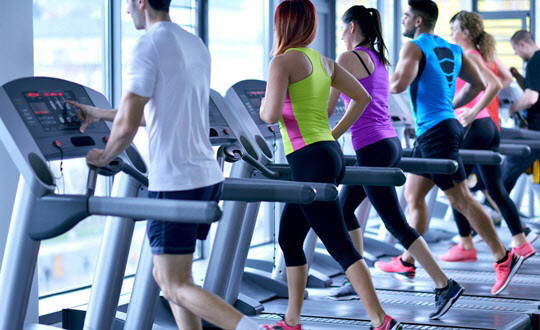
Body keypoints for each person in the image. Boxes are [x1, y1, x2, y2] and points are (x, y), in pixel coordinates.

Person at [68, 0, 260, 329]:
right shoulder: (194, 43)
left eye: (128, 4)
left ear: (141, 2)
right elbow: (155, 112)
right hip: (206, 178)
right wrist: (100, 114)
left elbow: (128, 126)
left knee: (173, 283)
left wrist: (101, 157)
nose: (126, 12)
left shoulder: (148, 44)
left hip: (176, 182)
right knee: (173, 280)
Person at [259, 1, 401, 329]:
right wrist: (333, 132)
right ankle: (292, 321)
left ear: (282, 25)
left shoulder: (281, 62)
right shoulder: (324, 61)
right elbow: (362, 98)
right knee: (289, 238)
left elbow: (269, 115)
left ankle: (381, 320)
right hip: (328, 154)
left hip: (310, 160)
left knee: (339, 245)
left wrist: (269, 102)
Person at [375, 0, 524, 295]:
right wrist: (449, 108)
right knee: (414, 194)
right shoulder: (452, 49)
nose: (403, 20)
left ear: (418, 21)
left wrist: (366, 80)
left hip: (435, 133)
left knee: (460, 199)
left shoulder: (414, 47)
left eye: (405, 16)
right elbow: (479, 85)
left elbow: (398, 84)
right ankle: (407, 260)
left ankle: (504, 257)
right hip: (437, 128)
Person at [327, 5, 462, 319]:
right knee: (345, 208)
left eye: (341, 28)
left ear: (351, 28)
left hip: (372, 146)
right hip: (389, 143)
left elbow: (331, 105)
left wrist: (330, 132)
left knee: (395, 222)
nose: (340, 34)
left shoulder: (348, 58)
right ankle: (356, 278)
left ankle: (444, 284)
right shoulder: (379, 59)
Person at [438, 11, 536, 262]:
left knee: (454, 186)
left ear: (465, 33)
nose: (451, 35)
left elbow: (490, 83)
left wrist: (472, 108)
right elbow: (500, 80)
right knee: (494, 188)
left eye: (453, 31)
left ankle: (466, 244)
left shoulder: (468, 55)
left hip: (476, 125)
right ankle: (521, 241)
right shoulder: (485, 54)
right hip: (490, 126)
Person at [501, 30, 540, 193]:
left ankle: (493, 210)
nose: (516, 54)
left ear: (523, 44)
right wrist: (517, 77)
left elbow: (531, 98)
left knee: (509, 168)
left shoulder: (534, 62)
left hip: (537, 131)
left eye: (515, 49)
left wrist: (511, 109)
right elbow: (534, 88)